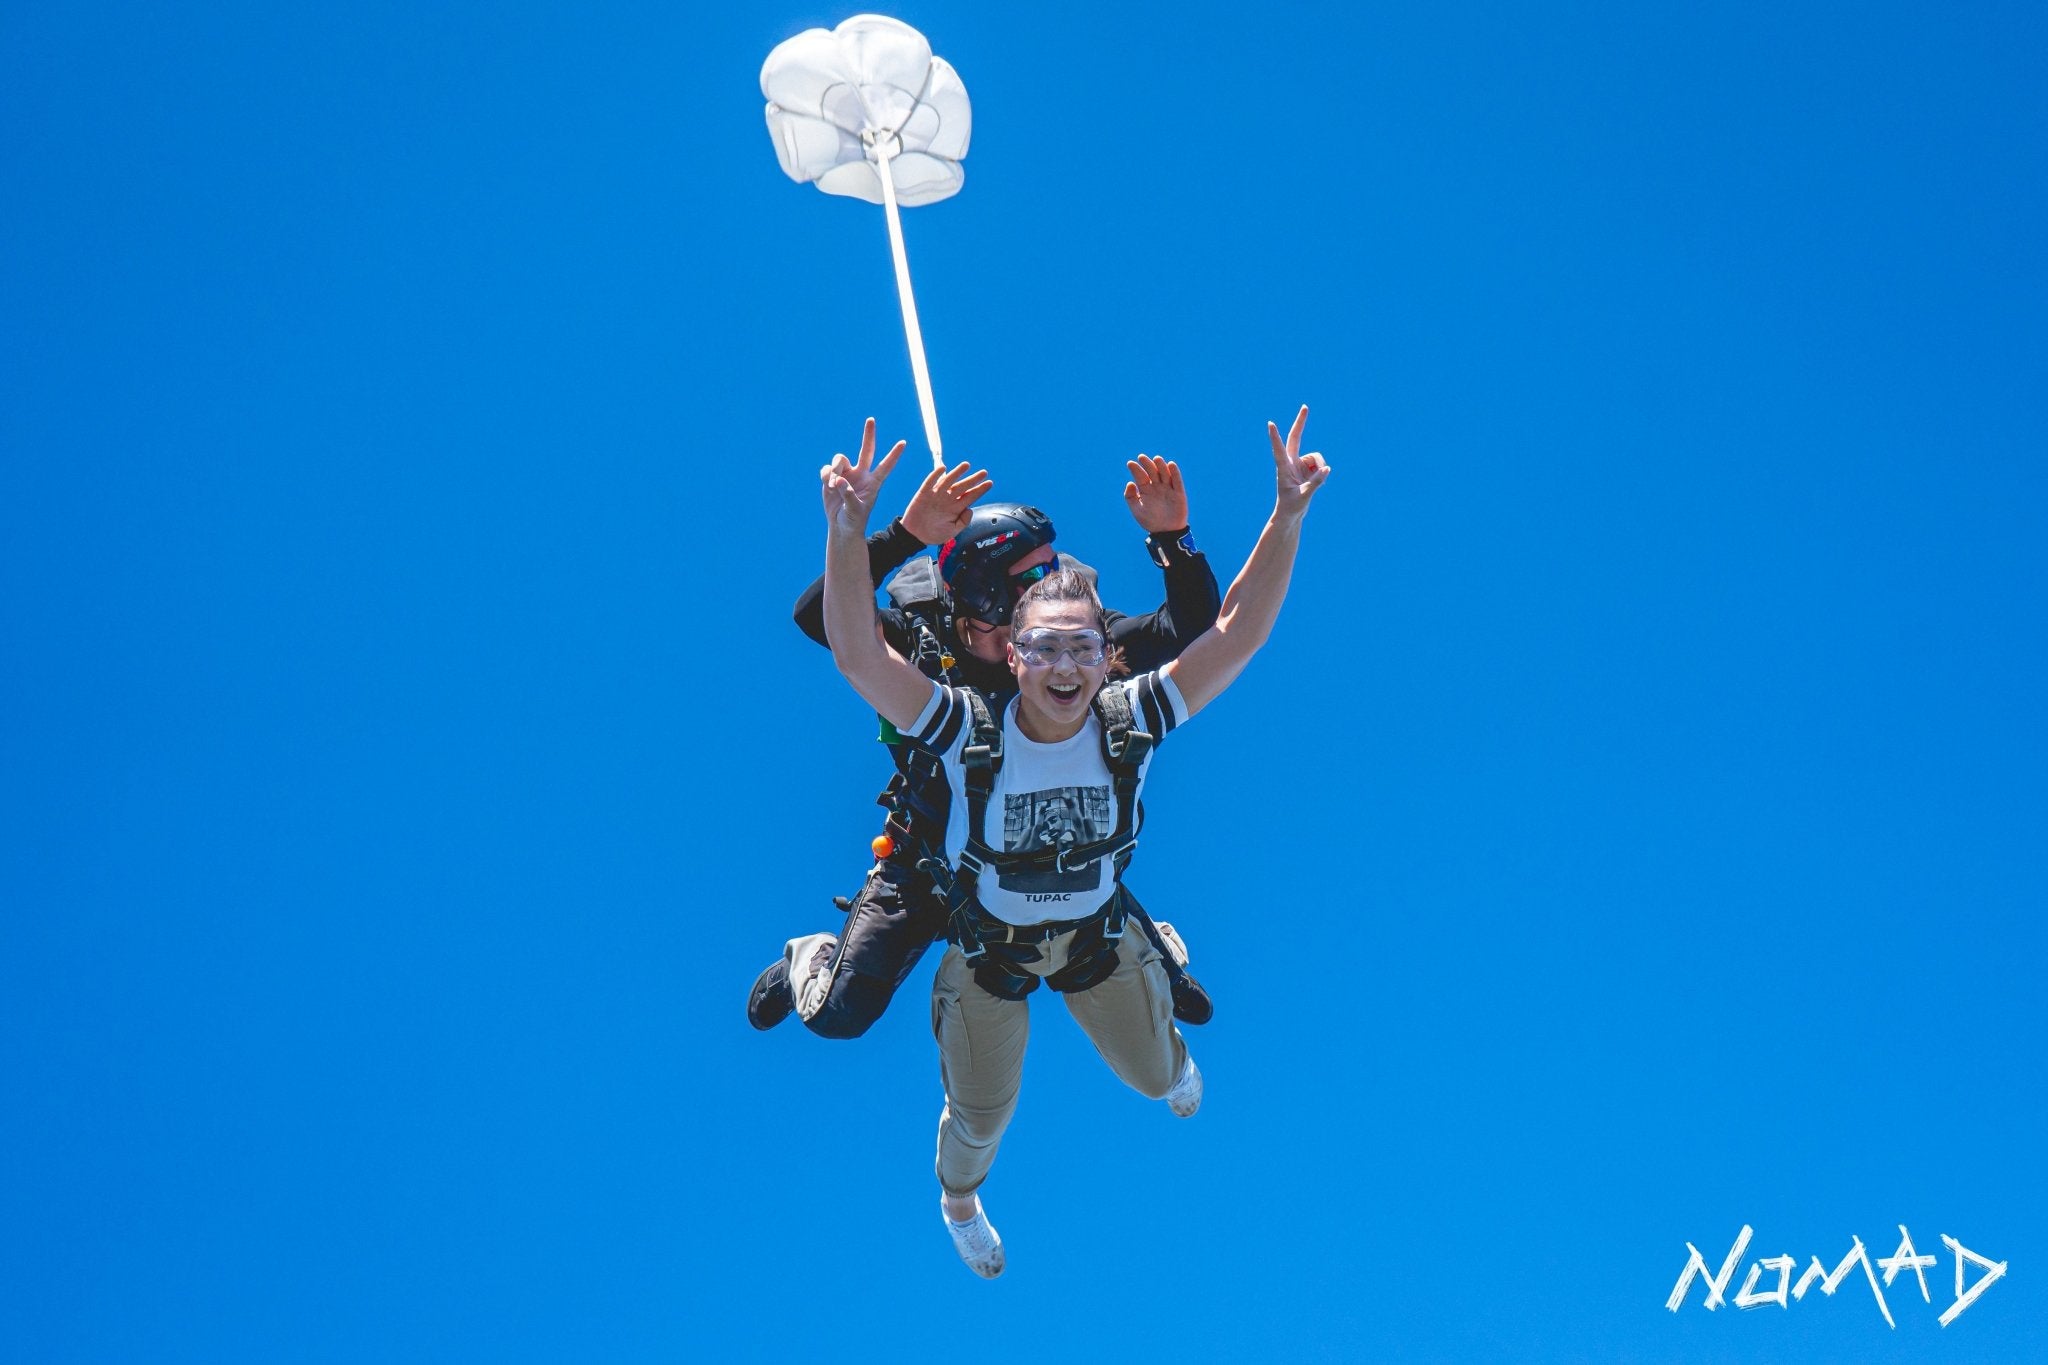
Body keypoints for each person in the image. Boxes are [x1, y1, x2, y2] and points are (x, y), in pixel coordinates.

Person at [819, 406, 1332, 1278]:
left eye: (1084, 648)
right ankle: (959, 1201)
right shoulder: (963, 725)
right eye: (1045, 648)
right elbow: (855, 653)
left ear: (1109, 656)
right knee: (977, 1125)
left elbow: (1236, 628)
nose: (1065, 668)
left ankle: (1154, 968)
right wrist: (853, 532)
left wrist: (1286, 514)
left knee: (1161, 1078)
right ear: (1011, 657)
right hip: (988, 954)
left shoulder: (1132, 715)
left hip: (1093, 938)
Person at [748, 420, 1222, 1039]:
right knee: (841, 1014)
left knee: (1162, 984)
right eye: (1033, 580)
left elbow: (1190, 630)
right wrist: (902, 536)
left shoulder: (1073, 643)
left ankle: (1146, 939)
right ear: (982, 588)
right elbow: (820, 616)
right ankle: (805, 961)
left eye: (1053, 574)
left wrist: (1173, 539)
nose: (1054, 593)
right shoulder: (925, 640)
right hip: (929, 854)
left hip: (1045, 843)